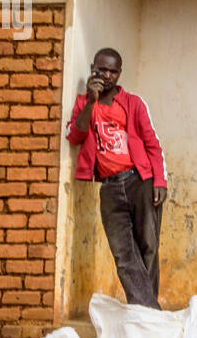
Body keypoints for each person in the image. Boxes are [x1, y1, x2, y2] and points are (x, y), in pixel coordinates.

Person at [66, 48, 167, 309]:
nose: (107, 75)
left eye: (113, 70)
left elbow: (152, 144)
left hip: (140, 181)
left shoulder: (134, 103)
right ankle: (150, 313)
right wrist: (90, 101)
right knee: (124, 254)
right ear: (93, 69)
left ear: (119, 73)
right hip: (110, 187)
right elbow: (75, 136)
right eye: (102, 69)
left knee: (148, 247)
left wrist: (160, 181)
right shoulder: (82, 103)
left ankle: (145, 312)